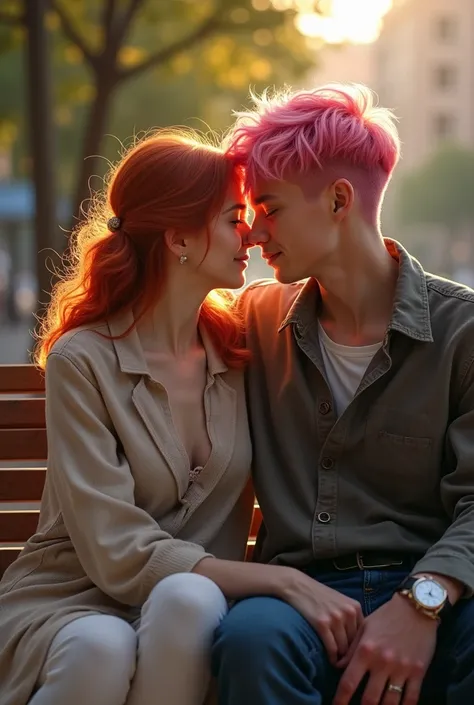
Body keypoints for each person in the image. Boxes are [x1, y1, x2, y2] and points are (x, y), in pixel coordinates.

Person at [211, 84, 474, 705]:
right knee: (251, 640)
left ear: (337, 199)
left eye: (269, 208)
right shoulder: (251, 322)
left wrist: (423, 601)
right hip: (295, 600)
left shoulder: (463, 330)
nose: (254, 234)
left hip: (434, 589)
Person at [0, 129, 260, 705]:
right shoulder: (82, 359)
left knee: (184, 601)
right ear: (179, 240)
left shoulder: (245, 351)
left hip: (190, 603)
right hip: (70, 594)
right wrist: (277, 579)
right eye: (230, 218)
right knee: (101, 647)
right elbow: (117, 547)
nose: (249, 235)